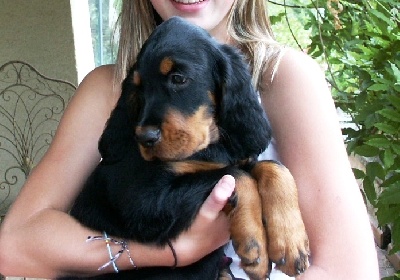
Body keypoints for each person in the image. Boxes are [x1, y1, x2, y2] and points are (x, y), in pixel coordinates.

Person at [0, 0, 379, 279]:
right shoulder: (107, 88)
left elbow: (351, 270)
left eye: (180, 80)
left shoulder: (286, 77)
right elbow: (14, 247)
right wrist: (168, 253)